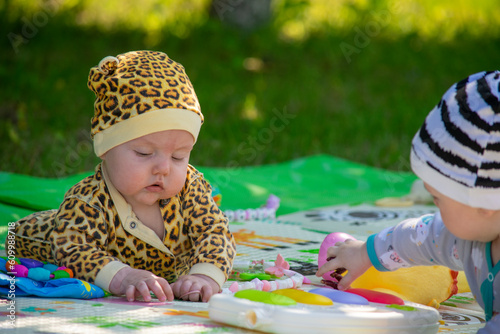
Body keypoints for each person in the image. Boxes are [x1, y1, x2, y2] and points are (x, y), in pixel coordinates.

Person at [9, 50, 236, 303]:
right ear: (105, 148)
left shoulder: (191, 188)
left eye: (178, 156)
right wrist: (123, 276)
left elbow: (215, 233)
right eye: (144, 152)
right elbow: (73, 248)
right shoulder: (88, 201)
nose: (163, 168)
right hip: (32, 236)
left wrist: (205, 276)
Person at [317, 70, 500, 332]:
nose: (435, 210)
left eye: (438, 199)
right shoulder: (468, 234)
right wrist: (363, 254)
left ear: (484, 202)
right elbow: (419, 237)